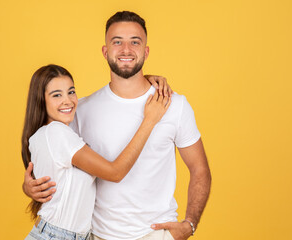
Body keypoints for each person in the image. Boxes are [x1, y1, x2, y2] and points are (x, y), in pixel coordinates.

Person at [23, 11, 211, 240]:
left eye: (135, 42)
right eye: (117, 42)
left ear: (146, 51)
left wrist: (189, 224)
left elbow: (199, 169)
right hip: (97, 235)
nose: (126, 50)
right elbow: (50, 154)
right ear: (105, 51)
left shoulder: (174, 105)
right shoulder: (79, 110)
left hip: (157, 234)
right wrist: (30, 185)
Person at [22, 64, 170, 240]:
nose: (67, 101)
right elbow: (115, 172)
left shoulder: (45, 135)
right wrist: (150, 120)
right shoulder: (56, 132)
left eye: (71, 91)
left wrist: (142, 81)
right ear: (41, 99)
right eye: (56, 95)